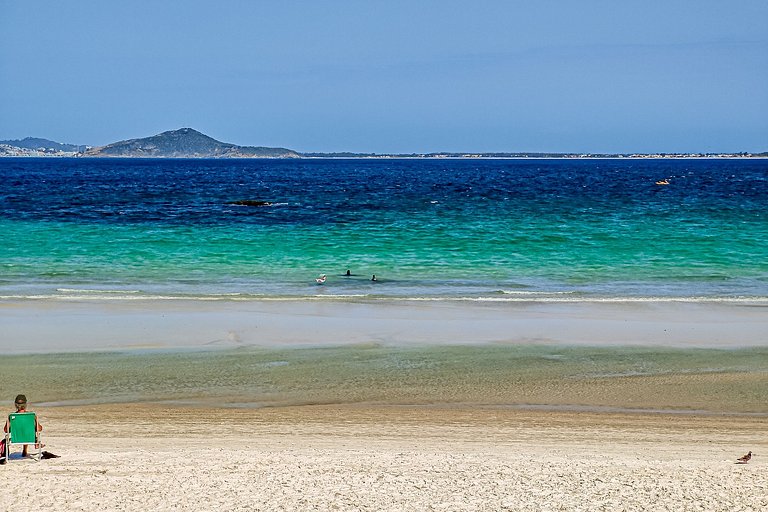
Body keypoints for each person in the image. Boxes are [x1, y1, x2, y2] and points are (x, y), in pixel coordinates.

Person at [1, 394, 43, 463]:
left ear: (16, 405)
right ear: (25, 404)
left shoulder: (11, 416)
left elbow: (6, 430)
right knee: (27, 430)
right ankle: (30, 448)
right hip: (29, 438)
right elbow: (39, 429)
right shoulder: (32, 415)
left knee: (21, 430)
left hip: (16, 438)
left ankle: (24, 450)